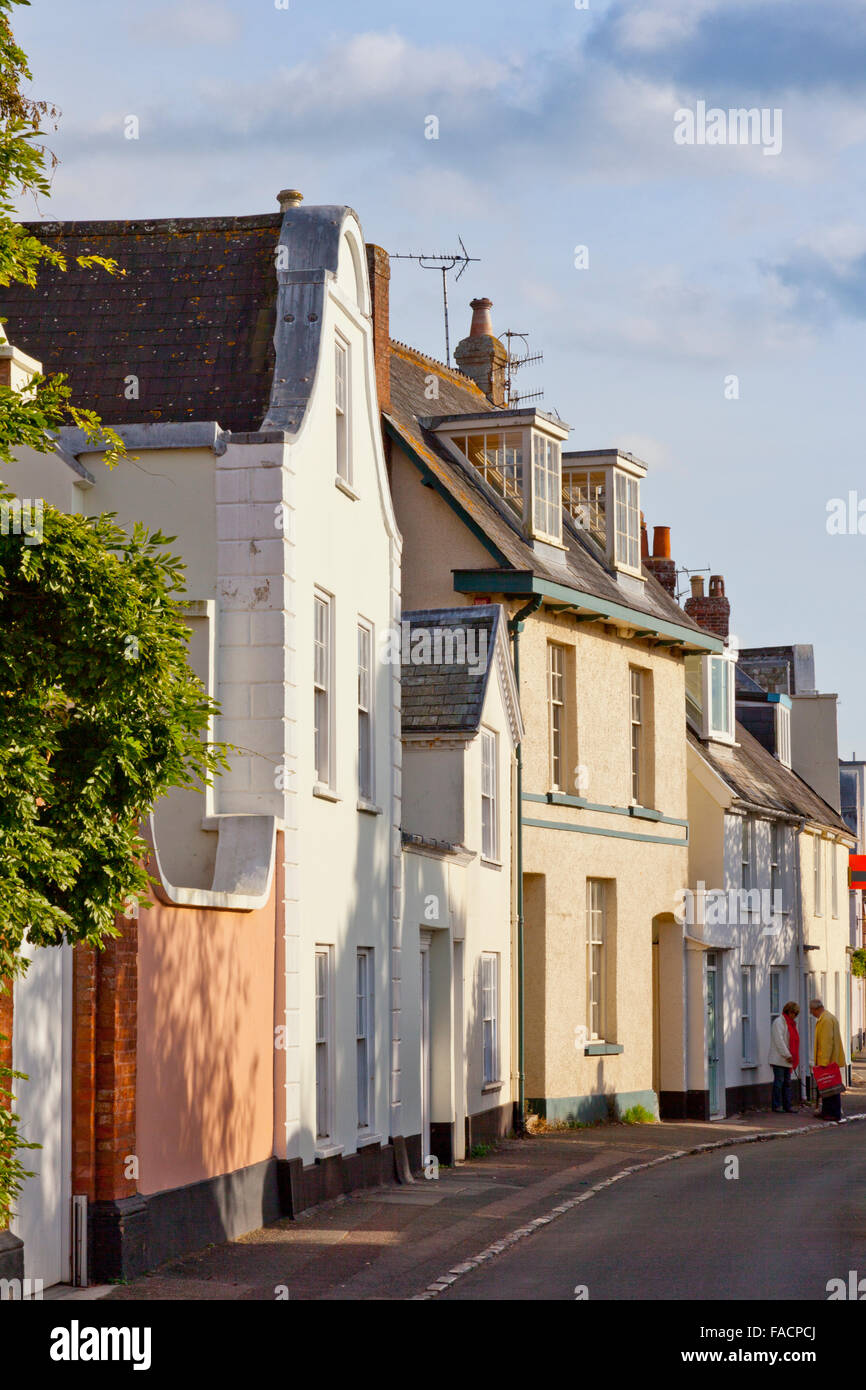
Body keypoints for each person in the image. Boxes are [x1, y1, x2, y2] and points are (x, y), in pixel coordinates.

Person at [809, 998, 846, 1122]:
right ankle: (828, 1111)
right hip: (832, 1059)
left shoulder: (825, 1020)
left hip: (828, 1061)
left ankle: (832, 1113)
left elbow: (826, 1042)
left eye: (812, 1011)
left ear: (816, 1009)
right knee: (830, 1087)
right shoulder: (829, 1017)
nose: (812, 1013)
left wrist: (823, 1062)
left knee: (829, 1088)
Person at [768, 1001, 799, 1113]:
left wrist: (790, 1056)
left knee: (787, 1083)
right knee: (779, 1082)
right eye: (793, 1013)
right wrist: (787, 1055)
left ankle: (787, 1105)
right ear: (788, 1011)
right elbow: (779, 1041)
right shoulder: (779, 1022)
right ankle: (776, 1105)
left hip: (787, 1059)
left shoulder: (790, 1024)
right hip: (779, 1058)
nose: (794, 1016)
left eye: (796, 1014)